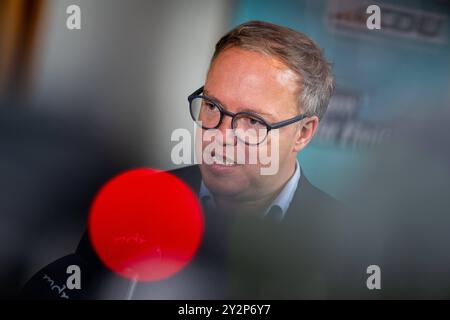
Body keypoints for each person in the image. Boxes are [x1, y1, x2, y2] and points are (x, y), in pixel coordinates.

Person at [22, 21, 375, 299]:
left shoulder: (348, 248)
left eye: (253, 121)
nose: (221, 136)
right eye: (212, 107)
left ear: (303, 133)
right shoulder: (133, 205)